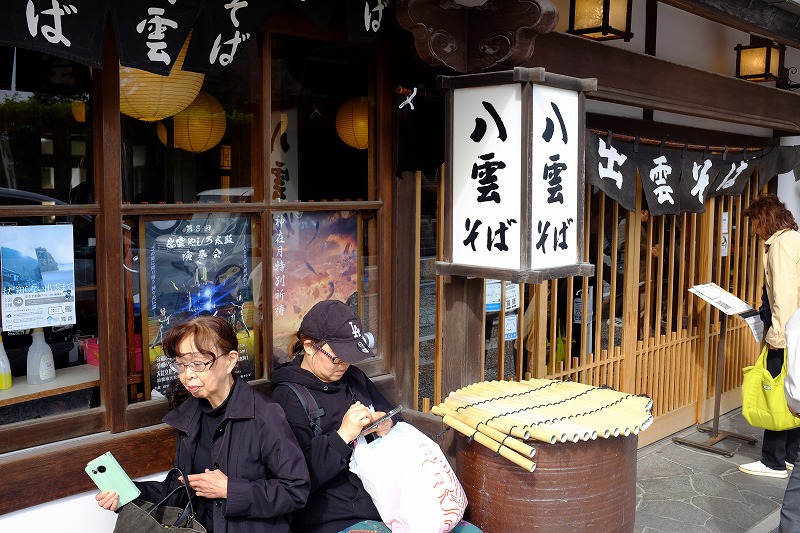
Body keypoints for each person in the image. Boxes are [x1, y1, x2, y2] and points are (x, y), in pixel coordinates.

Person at [95, 315, 310, 533]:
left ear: (231, 360)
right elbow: (180, 490)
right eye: (181, 365)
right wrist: (127, 493)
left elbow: (295, 491)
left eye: (198, 364)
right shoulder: (189, 415)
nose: (187, 375)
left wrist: (230, 490)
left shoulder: (264, 415)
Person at [271, 300, 399, 533]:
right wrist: (342, 437)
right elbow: (296, 479)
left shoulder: (354, 378)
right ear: (309, 347)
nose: (344, 365)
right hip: (332, 519)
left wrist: (387, 423)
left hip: (385, 501)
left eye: (350, 357)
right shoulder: (289, 397)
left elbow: (395, 419)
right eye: (337, 357)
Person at [738, 194, 800, 479]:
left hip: (787, 330)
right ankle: (790, 456)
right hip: (795, 328)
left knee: (774, 390)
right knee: (793, 390)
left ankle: (772, 461)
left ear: (765, 219)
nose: (754, 229)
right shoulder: (793, 239)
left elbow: (783, 295)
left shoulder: (781, 244)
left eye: (754, 222)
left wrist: (777, 336)